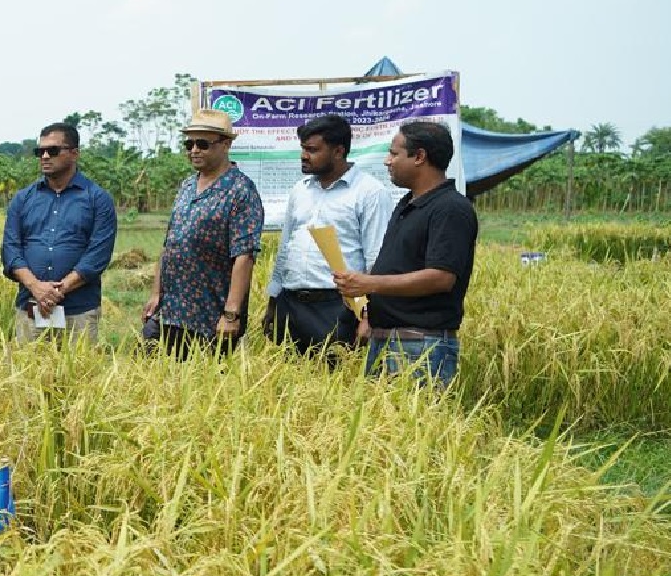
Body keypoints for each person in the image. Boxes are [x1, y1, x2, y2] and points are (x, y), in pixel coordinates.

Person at [334, 120, 477, 387]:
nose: (387, 161)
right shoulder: (406, 204)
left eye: (394, 153)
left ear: (419, 157)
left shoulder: (450, 208)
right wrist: (366, 307)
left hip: (420, 345)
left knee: (416, 424)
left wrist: (371, 283)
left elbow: (441, 277)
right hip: (387, 338)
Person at [263, 114, 393, 360]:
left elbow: (377, 260)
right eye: (303, 149)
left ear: (338, 151)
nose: (304, 155)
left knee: (333, 386)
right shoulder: (300, 190)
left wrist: (369, 317)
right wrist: (273, 302)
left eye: (312, 150)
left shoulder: (369, 192)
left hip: (337, 307)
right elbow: (285, 248)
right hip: (291, 304)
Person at [143, 109, 264, 358]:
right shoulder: (187, 185)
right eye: (189, 143)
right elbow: (169, 245)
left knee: (202, 389)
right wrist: (156, 293)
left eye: (203, 144)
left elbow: (244, 256)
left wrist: (231, 314)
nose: (194, 150)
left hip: (209, 317)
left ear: (226, 144)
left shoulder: (241, 191)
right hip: (169, 310)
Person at [1, 122, 116, 344]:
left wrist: (57, 290)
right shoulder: (23, 198)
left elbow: (97, 255)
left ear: (74, 154)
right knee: (29, 374)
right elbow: (11, 249)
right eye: (40, 151)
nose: (44, 156)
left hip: (79, 309)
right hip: (31, 307)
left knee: (80, 376)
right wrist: (36, 287)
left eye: (52, 150)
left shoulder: (97, 199)